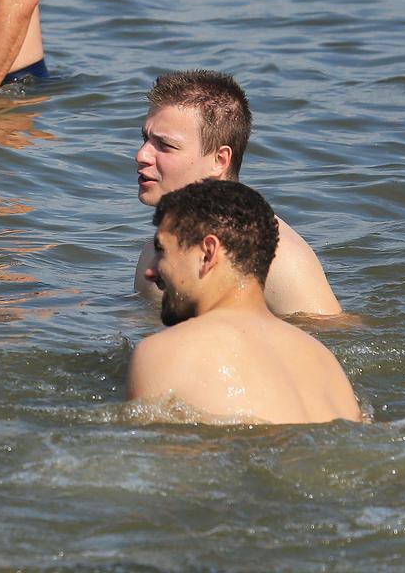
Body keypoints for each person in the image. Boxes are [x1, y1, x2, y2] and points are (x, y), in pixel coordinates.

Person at [128, 180, 360, 424]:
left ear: (208, 253)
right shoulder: (325, 361)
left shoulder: (162, 354)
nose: (150, 271)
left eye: (161, 251)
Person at [133, 71, 340, 316]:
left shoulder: (278, 261)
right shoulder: (155, 252)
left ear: (219, 160)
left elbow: (333, 334)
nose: (141, 155)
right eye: (145, 138)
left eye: (165, 145)